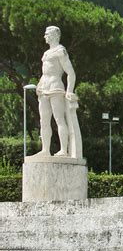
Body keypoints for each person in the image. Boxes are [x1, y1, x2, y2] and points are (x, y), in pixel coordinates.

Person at [34, 26, 76, 156]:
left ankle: (64, 150)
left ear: (54, 35)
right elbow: (44, 72)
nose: (45, 36)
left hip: (56, 87)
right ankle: (45, 150)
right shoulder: (46, 53)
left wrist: (69, 91)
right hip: (44, 88)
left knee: (59, 119)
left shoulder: (60, 51)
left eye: (47, 34)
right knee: (43, 121)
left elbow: (71, 73)